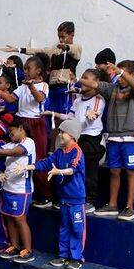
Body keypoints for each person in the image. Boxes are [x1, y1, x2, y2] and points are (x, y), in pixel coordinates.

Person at [13, 119, 86, 269]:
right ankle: (64, 255)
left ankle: (76, 258)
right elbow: (45, 163)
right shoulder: (59, 152)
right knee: (64, 227)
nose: (60, 135)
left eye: (63, 132)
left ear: (72, 135)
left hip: (76, 200)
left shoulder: (77, 151)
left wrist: (58, 171)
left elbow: (73, 169)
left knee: (77, 229)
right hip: (64, 199)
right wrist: (27, 167)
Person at [80, 60, 134, 220]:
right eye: (117, 74)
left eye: (123, 74)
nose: (119, 78)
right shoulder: (112, 89)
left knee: (131, 171)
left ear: (133, 75)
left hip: (130, 138)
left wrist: (120, 72)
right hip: (113, 137)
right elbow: (95, 84)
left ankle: (129, 207)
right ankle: (112, 205)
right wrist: (76, 79)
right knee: (114, 171)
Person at [43, 68, 105, 212]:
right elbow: (71, 117)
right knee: (69, 164)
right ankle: (68, 197)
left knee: (89, 168)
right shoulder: (77, 100)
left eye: (86, 78)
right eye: (81, 77)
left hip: (91, 138)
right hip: (78, 137)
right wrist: (54, 113)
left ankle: (89, 200)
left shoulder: (98, 100)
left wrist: (91, 115)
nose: (82, 81)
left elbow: (91, 117)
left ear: (95, 83)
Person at [0, 56, 52, 207]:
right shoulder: (21, 87)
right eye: (25, 69)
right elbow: (10, 99)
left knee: (38, 157)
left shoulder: (43, 85)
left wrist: (31, 86)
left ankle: (46, 194)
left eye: (29, 69)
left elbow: (40, 99)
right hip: (22, 121)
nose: (26, 72)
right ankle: (29, 191)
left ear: (38, 70)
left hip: (36, 122)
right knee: (21, 156)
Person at [7, 21, 82, 117]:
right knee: (51, 115)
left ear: (72, 35)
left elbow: (73, 49)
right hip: (52, 87)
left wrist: (66, 47)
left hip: (66, 88)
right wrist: (18, 49)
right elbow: (39, 50)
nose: (60, 39)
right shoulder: (55, 50)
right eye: (59, 37)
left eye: (63, 37)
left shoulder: (77, 49)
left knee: (65, 115)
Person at [0, 121, 35, 263]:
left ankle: (28, 250)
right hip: (8, 187)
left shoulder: (29, 142)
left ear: (21, 128)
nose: (10, 135)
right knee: (9, 217)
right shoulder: (10, 144)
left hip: (22, 189)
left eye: (12, 132)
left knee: (20, 219)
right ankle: (15, 246)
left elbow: (16, 152)